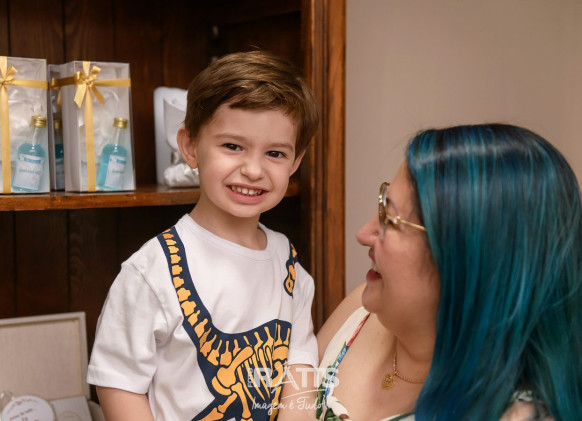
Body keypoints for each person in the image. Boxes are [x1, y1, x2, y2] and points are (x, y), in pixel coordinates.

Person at [87, 50, 320, 421]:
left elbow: (300, 366)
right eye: (233, 146)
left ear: (296, 161)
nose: (253, 170)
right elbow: (118, 383)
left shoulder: (288, 264)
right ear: (190, 147)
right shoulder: (150, 271)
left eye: (275, 153)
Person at [313, 124, 582, 420]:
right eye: (382, 204)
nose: (363, 233)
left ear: (465, 261)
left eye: (390, 218)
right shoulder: (362, 310)